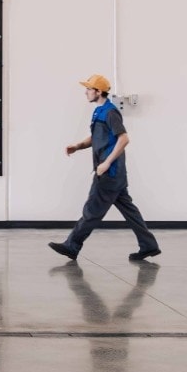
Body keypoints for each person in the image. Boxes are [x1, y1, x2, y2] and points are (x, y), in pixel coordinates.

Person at [48, 74, 161, 262]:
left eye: (88, 89)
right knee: (129, 211)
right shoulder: (99, 111)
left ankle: (72, 246)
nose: (85, 92)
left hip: (109, 173)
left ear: (98, 91)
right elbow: (97, 137)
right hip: (115, 174)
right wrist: (77, 146)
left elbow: (123, 139)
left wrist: (107, 163)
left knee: (92, 210)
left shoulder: (110, 112)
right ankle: (149, 245)